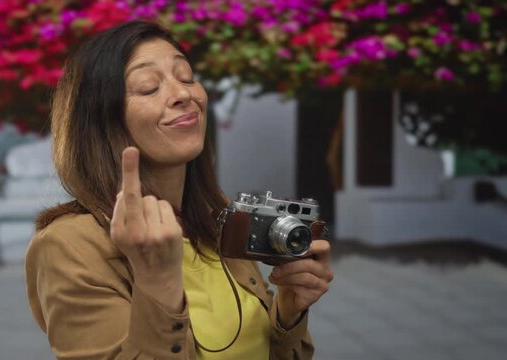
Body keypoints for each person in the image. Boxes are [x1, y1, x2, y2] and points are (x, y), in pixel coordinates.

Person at [25, 20, 333, 359]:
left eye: (186, 77)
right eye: (148, 87)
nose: (184, 94)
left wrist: (288, 313)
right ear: (102, 120)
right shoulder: (68, 246)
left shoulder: (221, 222)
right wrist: (157, 283)